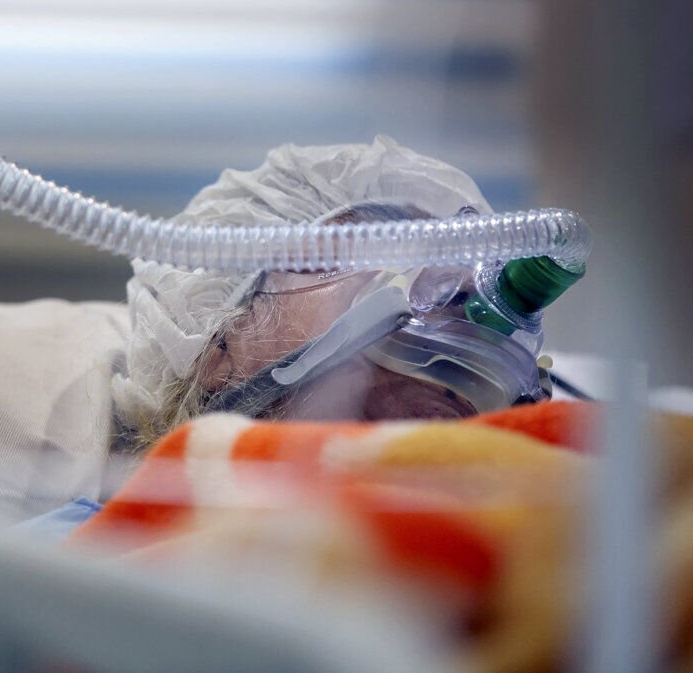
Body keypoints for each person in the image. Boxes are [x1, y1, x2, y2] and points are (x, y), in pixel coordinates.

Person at [112, 136, 519, 449]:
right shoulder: (123, 529)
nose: (454, 291)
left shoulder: (530, 501)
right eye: (329, 254)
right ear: (215, 349)